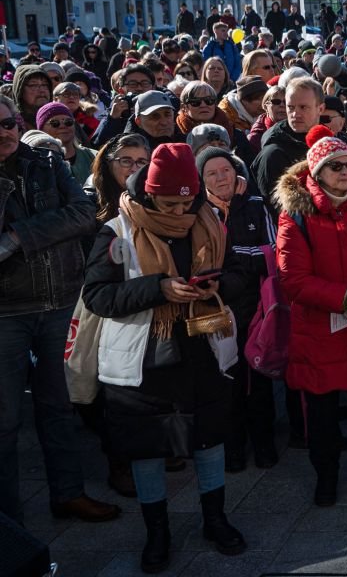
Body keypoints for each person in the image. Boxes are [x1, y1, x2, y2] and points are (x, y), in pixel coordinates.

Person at [81, 143, 247, 572]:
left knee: (209, 437)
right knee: (146, 448)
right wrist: (158, 289)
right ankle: (157, 533)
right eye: (168, 204)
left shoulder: (208, 219)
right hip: (141, 359)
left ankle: (216, 519)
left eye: (186, 203)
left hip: (202, 346)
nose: (178, 213)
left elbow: (237, 275)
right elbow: (98, 296)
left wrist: (218, 288)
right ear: (148, 194)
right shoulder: (117, 231)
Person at [0, 96, 120, 526]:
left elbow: (83, 213)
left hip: (58, 302)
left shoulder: (46, 163)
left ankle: (68, 494)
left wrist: (17, 238)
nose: (5, 133)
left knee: (58, 407)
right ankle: (9, 523)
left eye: (9, 123)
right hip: (7, 312)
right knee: (6, 420)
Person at [273, 126, 347, 507]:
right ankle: (325, 476)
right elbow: (293, 278)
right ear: (316, 171)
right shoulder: (296, 213)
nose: (345, 171)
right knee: (322, 419)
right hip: (321, 333)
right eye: (335, 166)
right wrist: (344, 299)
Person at [196, 147, 278, 471]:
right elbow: (203, 265)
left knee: (258, 380)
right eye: (212, 173)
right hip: (215, 310)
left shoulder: (255, 205)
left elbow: (272, 254)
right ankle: (232, 446)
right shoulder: (199, 212)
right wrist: (247, 258)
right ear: (201, 180)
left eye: (226, 170)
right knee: (223, 382)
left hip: (256, 308)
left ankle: (264, 442)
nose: (221, 178)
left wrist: (235, 256)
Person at [253, 77, 323, 211]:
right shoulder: (273, 154)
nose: (295, 114)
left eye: (303, 107)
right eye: (290, 107)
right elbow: (275, 211)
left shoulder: (327, 142)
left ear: (320, 108)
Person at [35, 101, 96, 186]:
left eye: (68, 122)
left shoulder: (94, 156)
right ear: (41, 130)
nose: (63, 126)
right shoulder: (37, 163)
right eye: (55, 123)